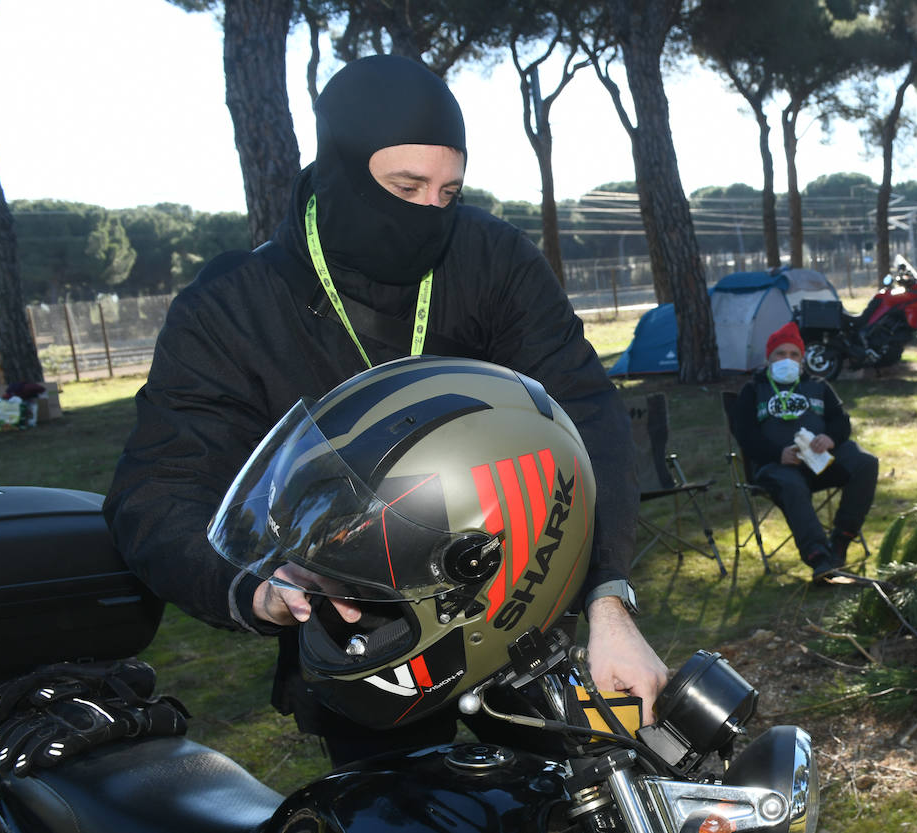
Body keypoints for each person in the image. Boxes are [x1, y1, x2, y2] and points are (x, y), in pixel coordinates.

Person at [103, 54, 666, 764]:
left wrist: (608, 599)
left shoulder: (491, 259)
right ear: (340, 171)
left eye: (449, 190)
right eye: (406, 186)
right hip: (363, 641)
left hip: (523, 596)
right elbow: (155, 490)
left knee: (602, 780)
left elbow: (585, 412)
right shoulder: (231, 310)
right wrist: (251, 588)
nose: (429, 211)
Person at [728, 321, 879, 583]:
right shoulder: (753, 390)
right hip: (777, 467)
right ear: (769, 358)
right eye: (780, 354)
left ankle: (842, 539)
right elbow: (745, 435)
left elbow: (841, 421)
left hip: (821, 463)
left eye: (794, 354)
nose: (787, 359)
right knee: (791, 485)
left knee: (865, 463)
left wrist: (830, 437)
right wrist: (777, 454)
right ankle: (819, 556)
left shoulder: (819, 386)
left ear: (802, 359)